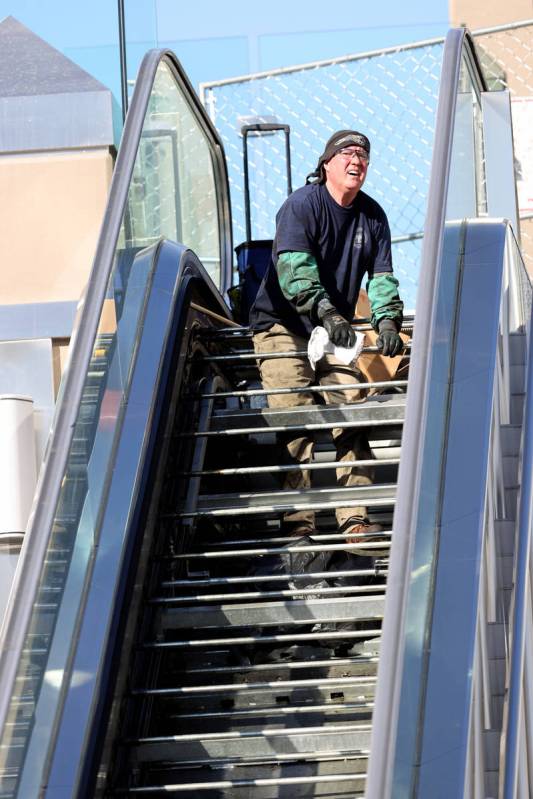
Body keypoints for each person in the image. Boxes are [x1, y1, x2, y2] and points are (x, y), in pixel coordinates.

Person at [249, 129, 404, 556]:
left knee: (351, 408)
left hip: (333, 330)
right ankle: (298, 528)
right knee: (294, 417)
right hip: (283, 325)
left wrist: (387, 321)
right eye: (349, 153)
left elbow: (384, 277)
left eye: (364, 156)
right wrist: (331, 314)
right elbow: (295, 270)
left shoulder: (373, 217)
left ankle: (353, 520)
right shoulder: (301, 206)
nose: (358, 160)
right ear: (327, 163)